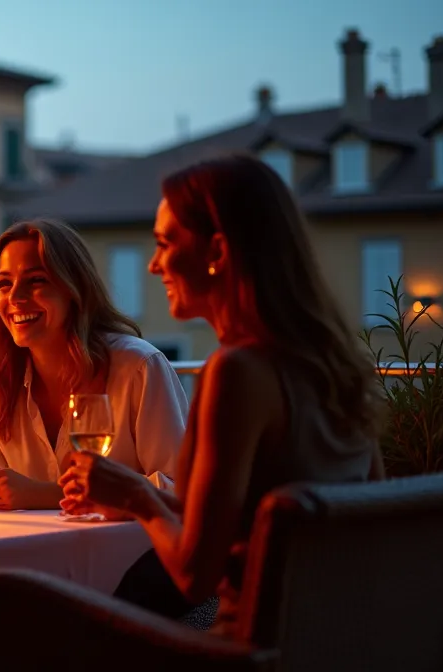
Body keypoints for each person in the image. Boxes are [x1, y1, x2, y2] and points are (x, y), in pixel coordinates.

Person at [61, 154, 385, 635]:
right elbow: (248, 525)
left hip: (246, 651)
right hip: (330, 640)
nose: (153, 265)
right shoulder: (334, 365)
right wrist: (140, 498)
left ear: (216, 251)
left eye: (165, 243)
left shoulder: (238, 371)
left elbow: (195, 576)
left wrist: (138, 497)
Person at [0, 218, 189, 511]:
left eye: (36, 280)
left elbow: (181, 489)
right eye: (4, 283)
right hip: (26, 554)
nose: (15, 298)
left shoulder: (138, 367)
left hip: (127, 554)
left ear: (74, 289)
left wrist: (43, 495)